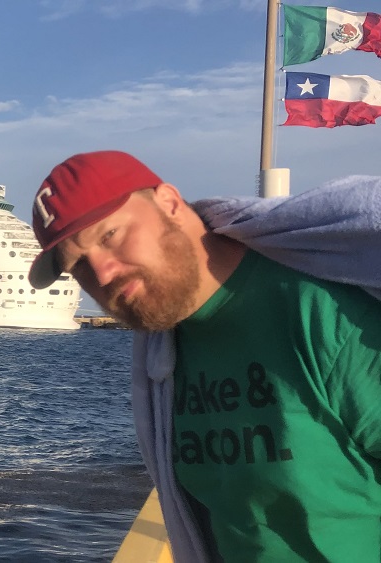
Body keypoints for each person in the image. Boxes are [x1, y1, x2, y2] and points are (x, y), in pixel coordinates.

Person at [27, 150, 381, 562]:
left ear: (170, 203)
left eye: (109, 236)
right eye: (80, 266)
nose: (102, 273)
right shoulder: (165, 355)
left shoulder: (325, 317)